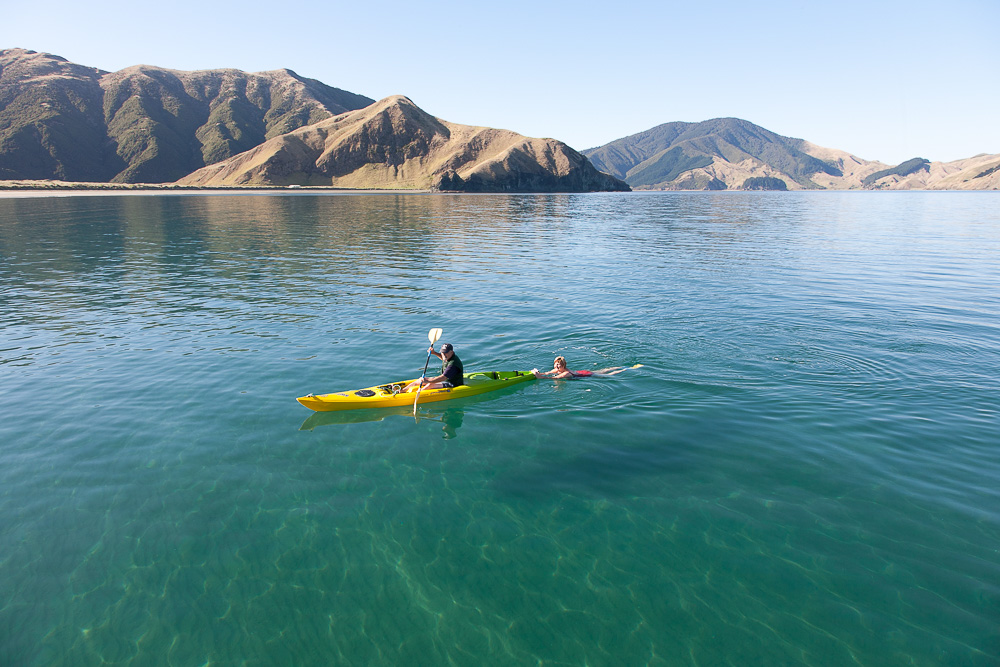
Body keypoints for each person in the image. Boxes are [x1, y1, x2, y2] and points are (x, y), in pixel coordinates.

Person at [532, 356, 638, 379]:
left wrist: (538, 377)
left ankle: (626, 369)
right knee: (604, 370)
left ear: (563, 366)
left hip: (586, 374)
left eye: (558, 365)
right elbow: (547, 373)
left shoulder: (566, 373)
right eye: (555, 364)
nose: (556, 366)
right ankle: (621, 366)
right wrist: (537, 372)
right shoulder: (557, 370)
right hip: (581, 371)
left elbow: (552, 378)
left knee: (607, 374)